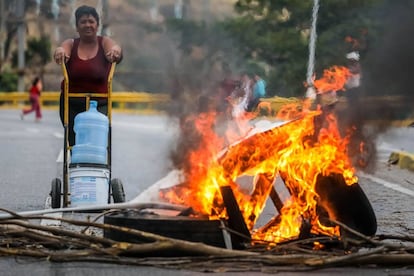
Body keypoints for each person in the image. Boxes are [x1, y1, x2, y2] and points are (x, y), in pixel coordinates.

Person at [53, 5, 123, 146]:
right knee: (74, 143)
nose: (87, 25)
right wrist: (60, 52)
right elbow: (62, 49)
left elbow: (115, 49)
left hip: (100, 102)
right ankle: (75, 164)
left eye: (91, 21)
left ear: (97, 25)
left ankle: (97, 164)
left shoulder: (104, 42)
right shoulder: (71, 44)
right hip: (71, 102)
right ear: (77, 26)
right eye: (83, 22)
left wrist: (115, 51)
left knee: (98, 142)